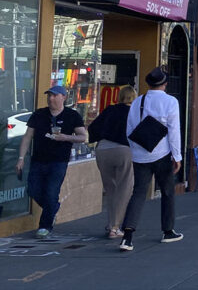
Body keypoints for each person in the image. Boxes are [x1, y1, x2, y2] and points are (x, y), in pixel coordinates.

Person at [119, 67, 182, 252]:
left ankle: (127, 236)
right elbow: (174, 130)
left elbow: (130, 129)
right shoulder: (170, 101)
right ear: (165, 83)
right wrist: (177, 156)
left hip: (140, 155)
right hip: (162, 153)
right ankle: (168, 231)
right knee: (168, 192)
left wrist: (137, 150)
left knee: (138, 193)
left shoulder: (139, 100)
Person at [15, 85, 88, 238]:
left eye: (54, 96)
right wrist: (21, 158)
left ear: (63, 97)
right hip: (38, 159)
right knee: (33, 190)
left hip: (59, 161)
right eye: (49, 95)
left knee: (51, 192)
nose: (51, 98)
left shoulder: (72, 115)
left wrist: (66, 137)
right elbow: (28, 136)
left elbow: (83, 136)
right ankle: (52, 208)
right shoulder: (39, 114)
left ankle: (45, 226)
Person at [88, 86, 137, 239]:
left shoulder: (110, 110)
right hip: (124, 150)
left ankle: (111, 224)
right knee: (124, 190)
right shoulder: (135, 113)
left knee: (111, 190)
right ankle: (115, 227)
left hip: (103, 149)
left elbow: (93, 127)